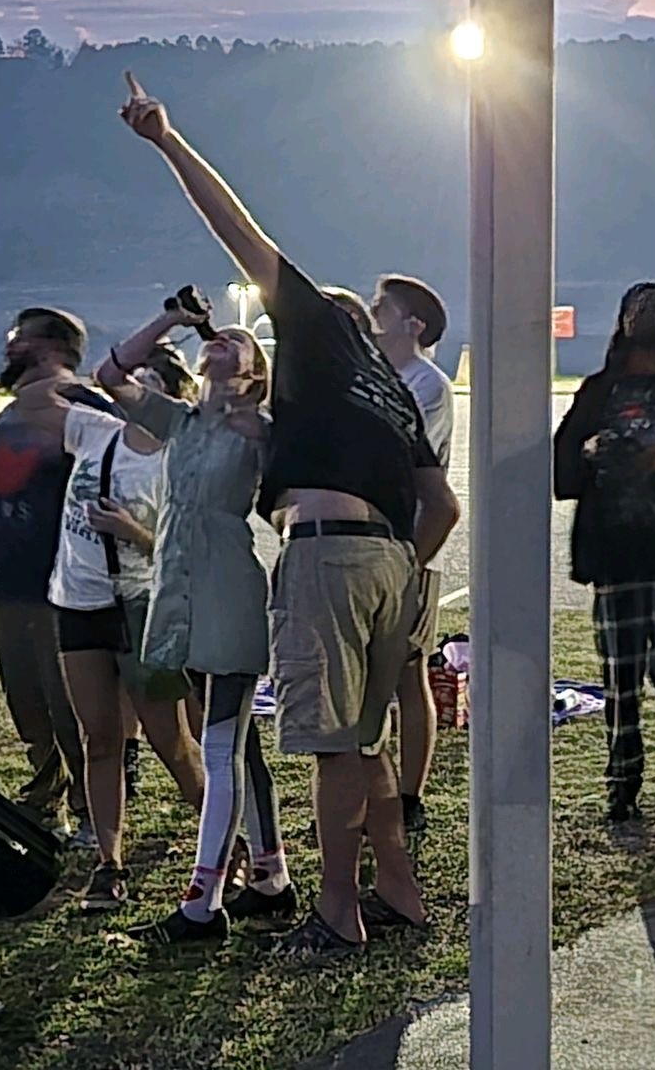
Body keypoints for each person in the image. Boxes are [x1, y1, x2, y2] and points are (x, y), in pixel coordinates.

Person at [120, 71, 461, 958]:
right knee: (372, 742)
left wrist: (166, 139)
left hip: (329, 560)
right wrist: (405, 570)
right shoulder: (390, 391)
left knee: (329, 745)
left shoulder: (320, 335)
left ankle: (337, 911)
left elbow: (241, 231)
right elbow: (443, 504)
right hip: (395, 567)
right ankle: (399, 893)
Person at [94, 302, 292, 944]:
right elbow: (111, 371)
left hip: (227, 584)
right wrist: (170, 319)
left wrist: (260, 419)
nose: (224, 341)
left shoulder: (258, 427)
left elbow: (287, 459)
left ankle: (203, 901)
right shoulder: (179, 420)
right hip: (178, 584)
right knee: (236, 743)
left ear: (255, 374)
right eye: (219, 337)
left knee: (219, 744)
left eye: (241, 342)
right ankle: (271, 874)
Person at [0, 309, 115, 833]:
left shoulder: (85, 408)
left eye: (21, 339)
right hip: (5, 581)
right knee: (25, 697)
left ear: (55, 348)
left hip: (58, 585)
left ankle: (91, 809)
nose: (10, 347)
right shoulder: (10, 416)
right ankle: (46, 792)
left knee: (67, 702)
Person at [46, 343, 206, 913]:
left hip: (142, 609)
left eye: (146, 382)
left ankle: (223, 847)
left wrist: (132, 532)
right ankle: (109, 865)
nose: (131, 390)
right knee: (101, 738)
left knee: (171, 740)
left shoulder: (179, 460)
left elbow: (187, 553)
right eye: (130, 381)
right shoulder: (96, 431)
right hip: (79, 603)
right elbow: (46, 395)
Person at [553, 282, 655, 826]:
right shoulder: (599, 391)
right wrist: (591, 450)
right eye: (633, 313)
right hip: (614, 556)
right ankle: (622, 783)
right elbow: (560, 472)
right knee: (619, 682)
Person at [372, 274, 456, 846]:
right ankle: (370, 789)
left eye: (382, 308)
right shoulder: (381, 376)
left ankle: (409, 794)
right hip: (369, 544)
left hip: (410, 542)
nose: (373, 316)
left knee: (407, 673)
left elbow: (402, 457)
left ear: (413, 325)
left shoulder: (427, 384)